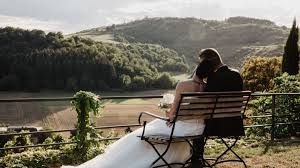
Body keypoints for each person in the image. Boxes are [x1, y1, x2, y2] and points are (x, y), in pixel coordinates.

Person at [62, 63, 213, 168]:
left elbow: (173, 112)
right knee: (153, 130)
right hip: (197, 129)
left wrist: (169, 115)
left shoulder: (183, 85)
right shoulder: (207, 88)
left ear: (196, 69)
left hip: (179, 129)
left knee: (140, 134)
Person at [190, 48, 244, 168]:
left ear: (208, 62)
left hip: (216, 125)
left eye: (202, 63)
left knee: (197, 121)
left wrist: (199, 81)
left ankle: (196, 159)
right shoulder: (236, 74)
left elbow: (203, 102)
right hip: (235, 123)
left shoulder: (214, 78)